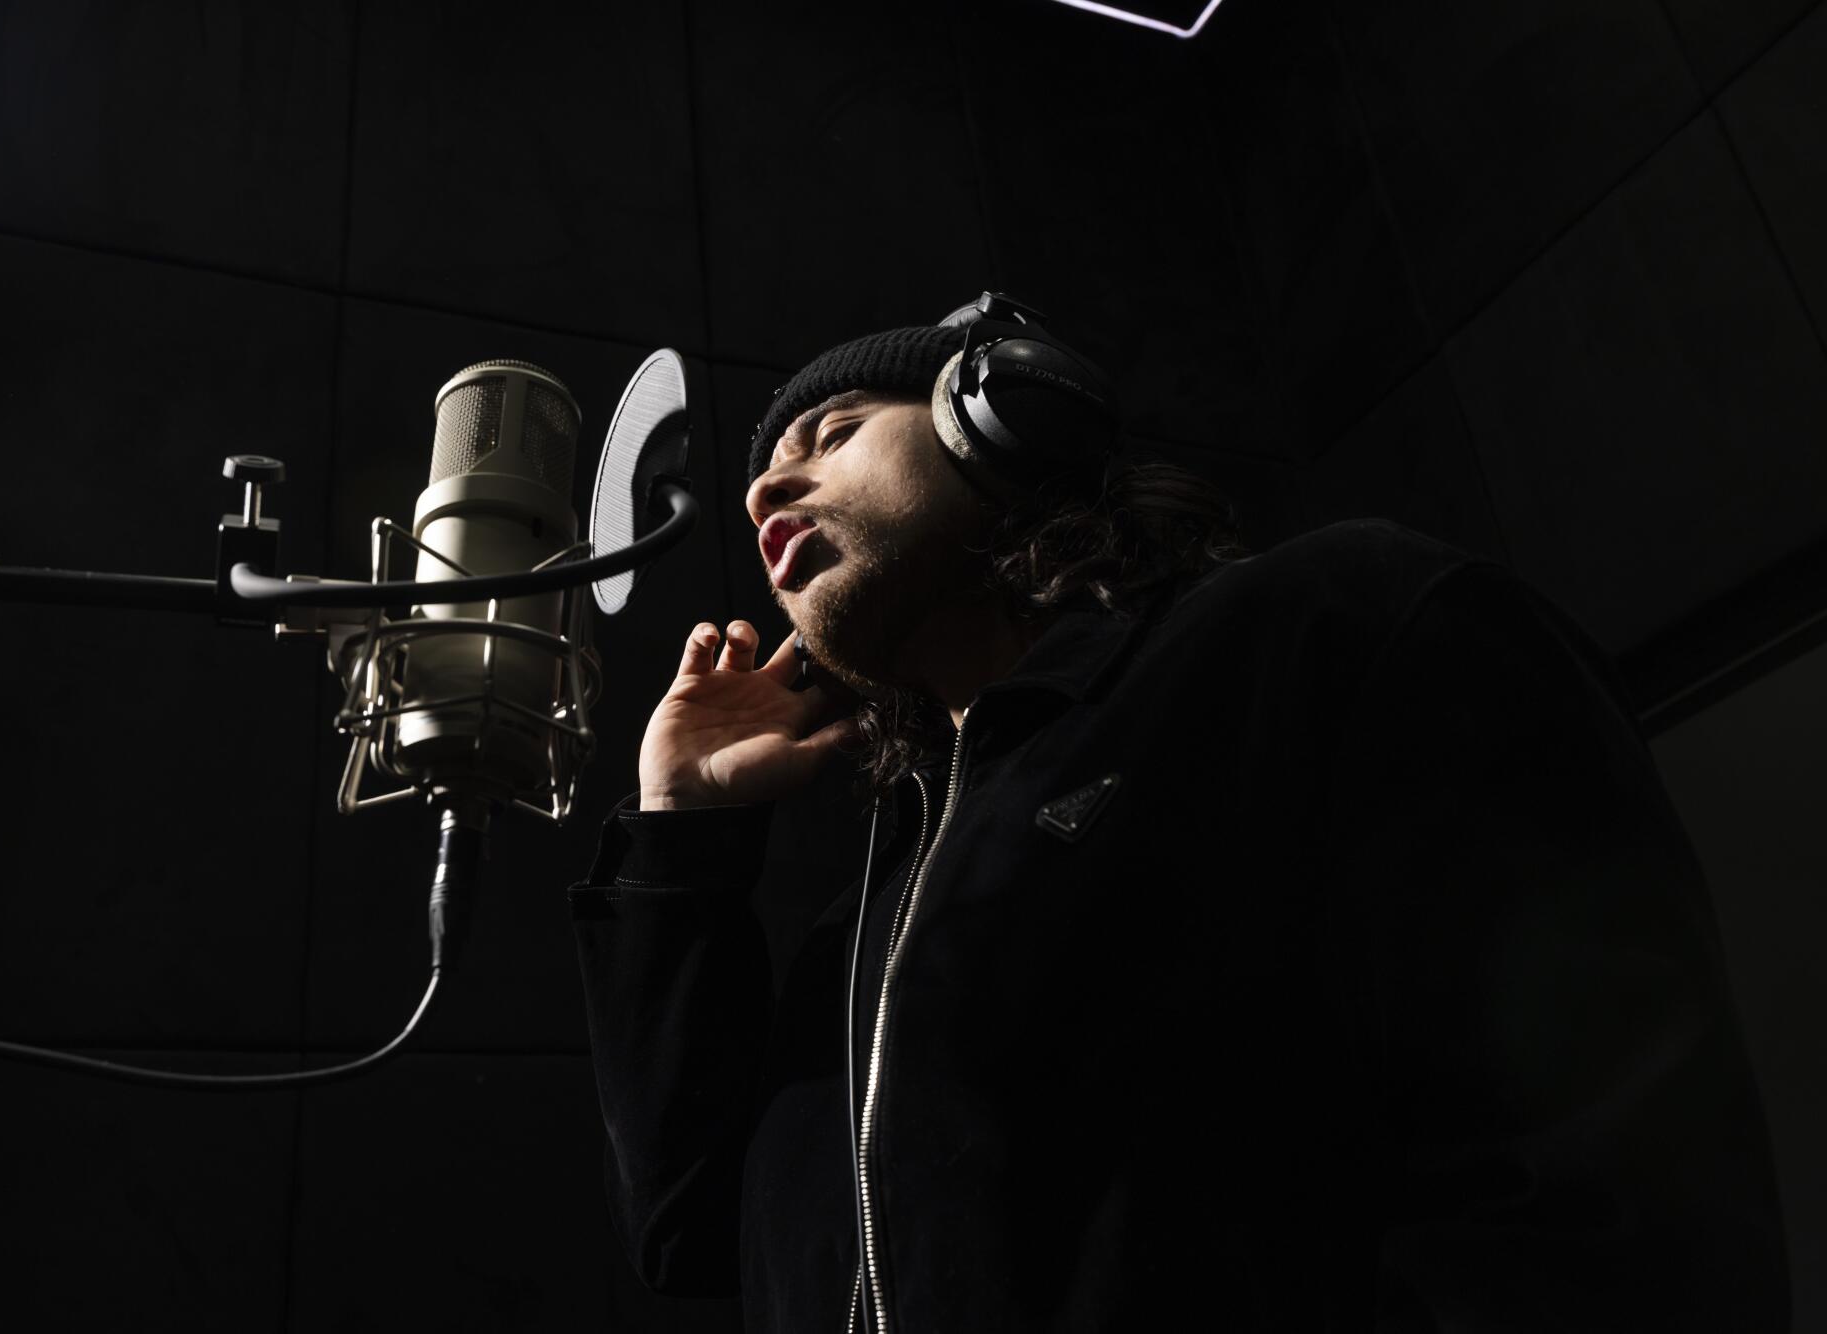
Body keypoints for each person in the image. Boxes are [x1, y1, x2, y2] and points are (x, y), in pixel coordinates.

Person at [566, 298, 1788, 1332]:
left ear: (1001, 418)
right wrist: (678, 831)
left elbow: (1613, 1193)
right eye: (767, 473)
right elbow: (692, 1243)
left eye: (831, 433)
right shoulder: (855, 946)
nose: (769, 480)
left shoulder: (1328, 628)